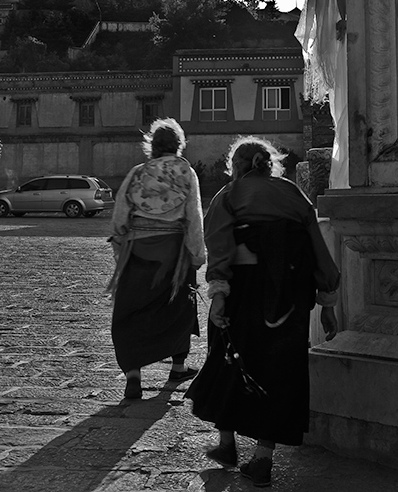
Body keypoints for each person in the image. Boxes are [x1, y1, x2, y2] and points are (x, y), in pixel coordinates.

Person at [186, 136, 340, 488]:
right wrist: (328, 303)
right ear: (271, 165)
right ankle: (262, 459)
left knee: (227, 359)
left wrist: (219, 295)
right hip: (290, 297)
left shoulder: (229, 195)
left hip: (242, 290)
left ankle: (227, 445)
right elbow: (317, 248)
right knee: (280, 370)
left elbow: (220, 245)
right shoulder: (293, 194)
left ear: (235, 167)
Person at [107, 118, 206, 400]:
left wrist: (120, 251)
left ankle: (133, 375)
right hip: (174, 255)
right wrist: (197, 255)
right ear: (179, 145)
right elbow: (193, 216)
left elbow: (120, 216)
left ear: (151, 145)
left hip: (137, 252)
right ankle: (178, 367)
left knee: (131, 313)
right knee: (178, 310)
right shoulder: (186, 172)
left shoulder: (137, 172)